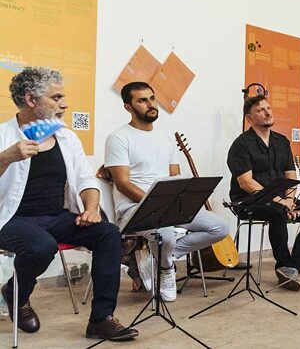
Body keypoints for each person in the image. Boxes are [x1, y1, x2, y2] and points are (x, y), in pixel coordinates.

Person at [0, 67, 138, 341]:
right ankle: (17, 293)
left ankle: (101, 319)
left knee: (108, 233)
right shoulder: (4, 136)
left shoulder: (67, 138)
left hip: (56, 216)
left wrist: (90, 208)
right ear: (31, 100)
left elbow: (87, 180)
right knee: (42, 246)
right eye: (56, 98)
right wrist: (6, 157)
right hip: (11, 219)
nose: (64, 104)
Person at [104, 82, 231, 301]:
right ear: (128, 107)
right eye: (142, 100)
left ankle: (162, 259)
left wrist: (182, 201)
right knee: (165, 233)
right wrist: (156, 204)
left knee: (220, 227)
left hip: (168, 206)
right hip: (133, 209)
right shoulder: (118, 137)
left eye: (152, 98)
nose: (150, 104)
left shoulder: (165, 138)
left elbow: (174, 177)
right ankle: (165, 270)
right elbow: (123, 183)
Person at [227, 95, 300, 291]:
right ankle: (283, 264)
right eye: (260, 110)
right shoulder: (241, 144)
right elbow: (246, 183)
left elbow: (291, 175)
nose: (267, 112)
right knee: (278, 212)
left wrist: (289, 199)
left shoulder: (282, 142)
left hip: (282, 201)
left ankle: (292, 268)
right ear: (249, 118)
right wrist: (280, 201)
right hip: (248, 202)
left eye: (268, 108)